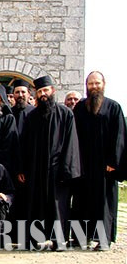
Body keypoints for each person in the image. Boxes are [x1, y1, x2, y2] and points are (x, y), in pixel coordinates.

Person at [18, 75, 81, 250]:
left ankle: (58, 241)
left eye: (45, 90)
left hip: (57, 170)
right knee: (35, 204)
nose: (43, 94)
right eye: (39, 92)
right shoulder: (31, 116)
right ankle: (35, 239)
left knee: (58, 206)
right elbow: (24, 144)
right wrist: (22, 169)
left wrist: (68, 170)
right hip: (35, 170)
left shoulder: (65, 114)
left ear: (52, 91)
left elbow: (71, 144)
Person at [72, 71, 127, 248]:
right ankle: (81, 237)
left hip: (105, 166)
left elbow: (120, 136)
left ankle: (103, 240)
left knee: (104, 203)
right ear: (86, 86)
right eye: (91, 83)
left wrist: (114, 162)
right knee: (82, 201)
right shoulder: (80, 108)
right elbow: (74, 136)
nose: (94, 86)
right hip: (84, 164)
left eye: (97, 83)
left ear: (103, 84)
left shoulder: (113, 107)